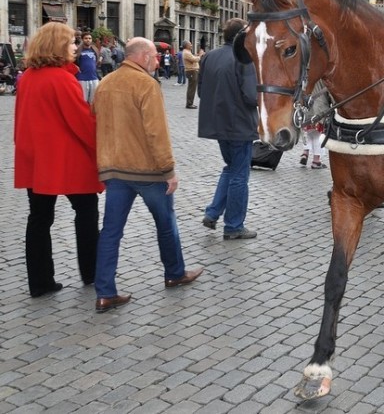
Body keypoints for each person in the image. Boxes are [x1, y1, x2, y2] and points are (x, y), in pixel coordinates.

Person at [92, 37, 203, 313]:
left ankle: (105, 292)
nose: (157, 62)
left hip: (114, 169)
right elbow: (157, 133)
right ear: (142, 57)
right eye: (154, 57)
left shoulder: (105, 83)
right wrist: (168, 170)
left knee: (110, 232)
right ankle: (175, 273)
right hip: (147, 171)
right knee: (166, 224)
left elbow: (97, 120)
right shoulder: (146, 85)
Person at [13, 22, 104, 297]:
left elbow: (19, 121)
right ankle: (91, 271)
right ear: (58, 45)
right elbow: (82, 122)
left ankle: (40, 281)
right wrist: (104, 142)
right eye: (71, 42)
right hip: (67, 160)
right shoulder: (62, 79)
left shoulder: (27, 76)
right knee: (86, 212)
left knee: (39, 219)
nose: (76, 46)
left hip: (37, 159)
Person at [198, 19, 259, 240]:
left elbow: (201, 93)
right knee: (239, 176)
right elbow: (251, 96)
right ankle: (233, 226)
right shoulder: (244, 59)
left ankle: (213, 212)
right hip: (240, 125)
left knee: (230, 168)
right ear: (242, 36)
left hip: (218, 125)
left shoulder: (209, 57)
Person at [75, 32, 100, 102]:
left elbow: (97, 62)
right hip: (82, 78)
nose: (88, 40)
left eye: (89, 38)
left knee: (94, 101)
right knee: (83, 100)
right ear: (82, 39)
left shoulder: (95, 50)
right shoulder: (78, 51)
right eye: (86, 38)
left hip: (94, 78)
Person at [182, 41, 201, 109]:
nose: (191, 45)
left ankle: (190, 103)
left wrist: (196, 56)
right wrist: (200, 56)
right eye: (190, 44)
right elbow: (194, 60)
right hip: (191, 71)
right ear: (186, 46)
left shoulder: (187, 52)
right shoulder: (186, 52)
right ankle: (189, 104)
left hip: (192, 71)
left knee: (192, 87)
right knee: (192, 88)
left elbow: (192, 58)